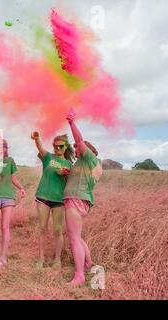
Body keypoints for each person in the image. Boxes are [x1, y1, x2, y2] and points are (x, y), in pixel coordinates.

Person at [64, 108, 102, 285]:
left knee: (73, 239)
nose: (76, 151)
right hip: (81, 200)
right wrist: (67, 174)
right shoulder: (88, 164)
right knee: (77, 237)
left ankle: (79, 275)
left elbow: (78, 140)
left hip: (75, 200)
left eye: (77, 150)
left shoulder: (89, 158)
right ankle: (88, 262)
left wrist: (71, 123)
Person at [31, 131, 74, 269]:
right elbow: (40, 148)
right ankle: (41, 259)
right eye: (55, 146)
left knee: (57, 230)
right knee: (42, 228)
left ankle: (57, 260)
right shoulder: (48, 157)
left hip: (59, 200)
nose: (58, 149)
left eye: (61, 146)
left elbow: (71, 184)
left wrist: (65, 175)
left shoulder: (69, 164)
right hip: (43, 197)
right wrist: (37, 138)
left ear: (66, 147)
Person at [0, 135, 26, 269]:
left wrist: (21, 188)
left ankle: (2, 257)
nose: (1, 148)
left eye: (3, 146)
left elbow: (13, 178)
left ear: (6, 149)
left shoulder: (10, 161)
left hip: (8, 196)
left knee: (4, 227)